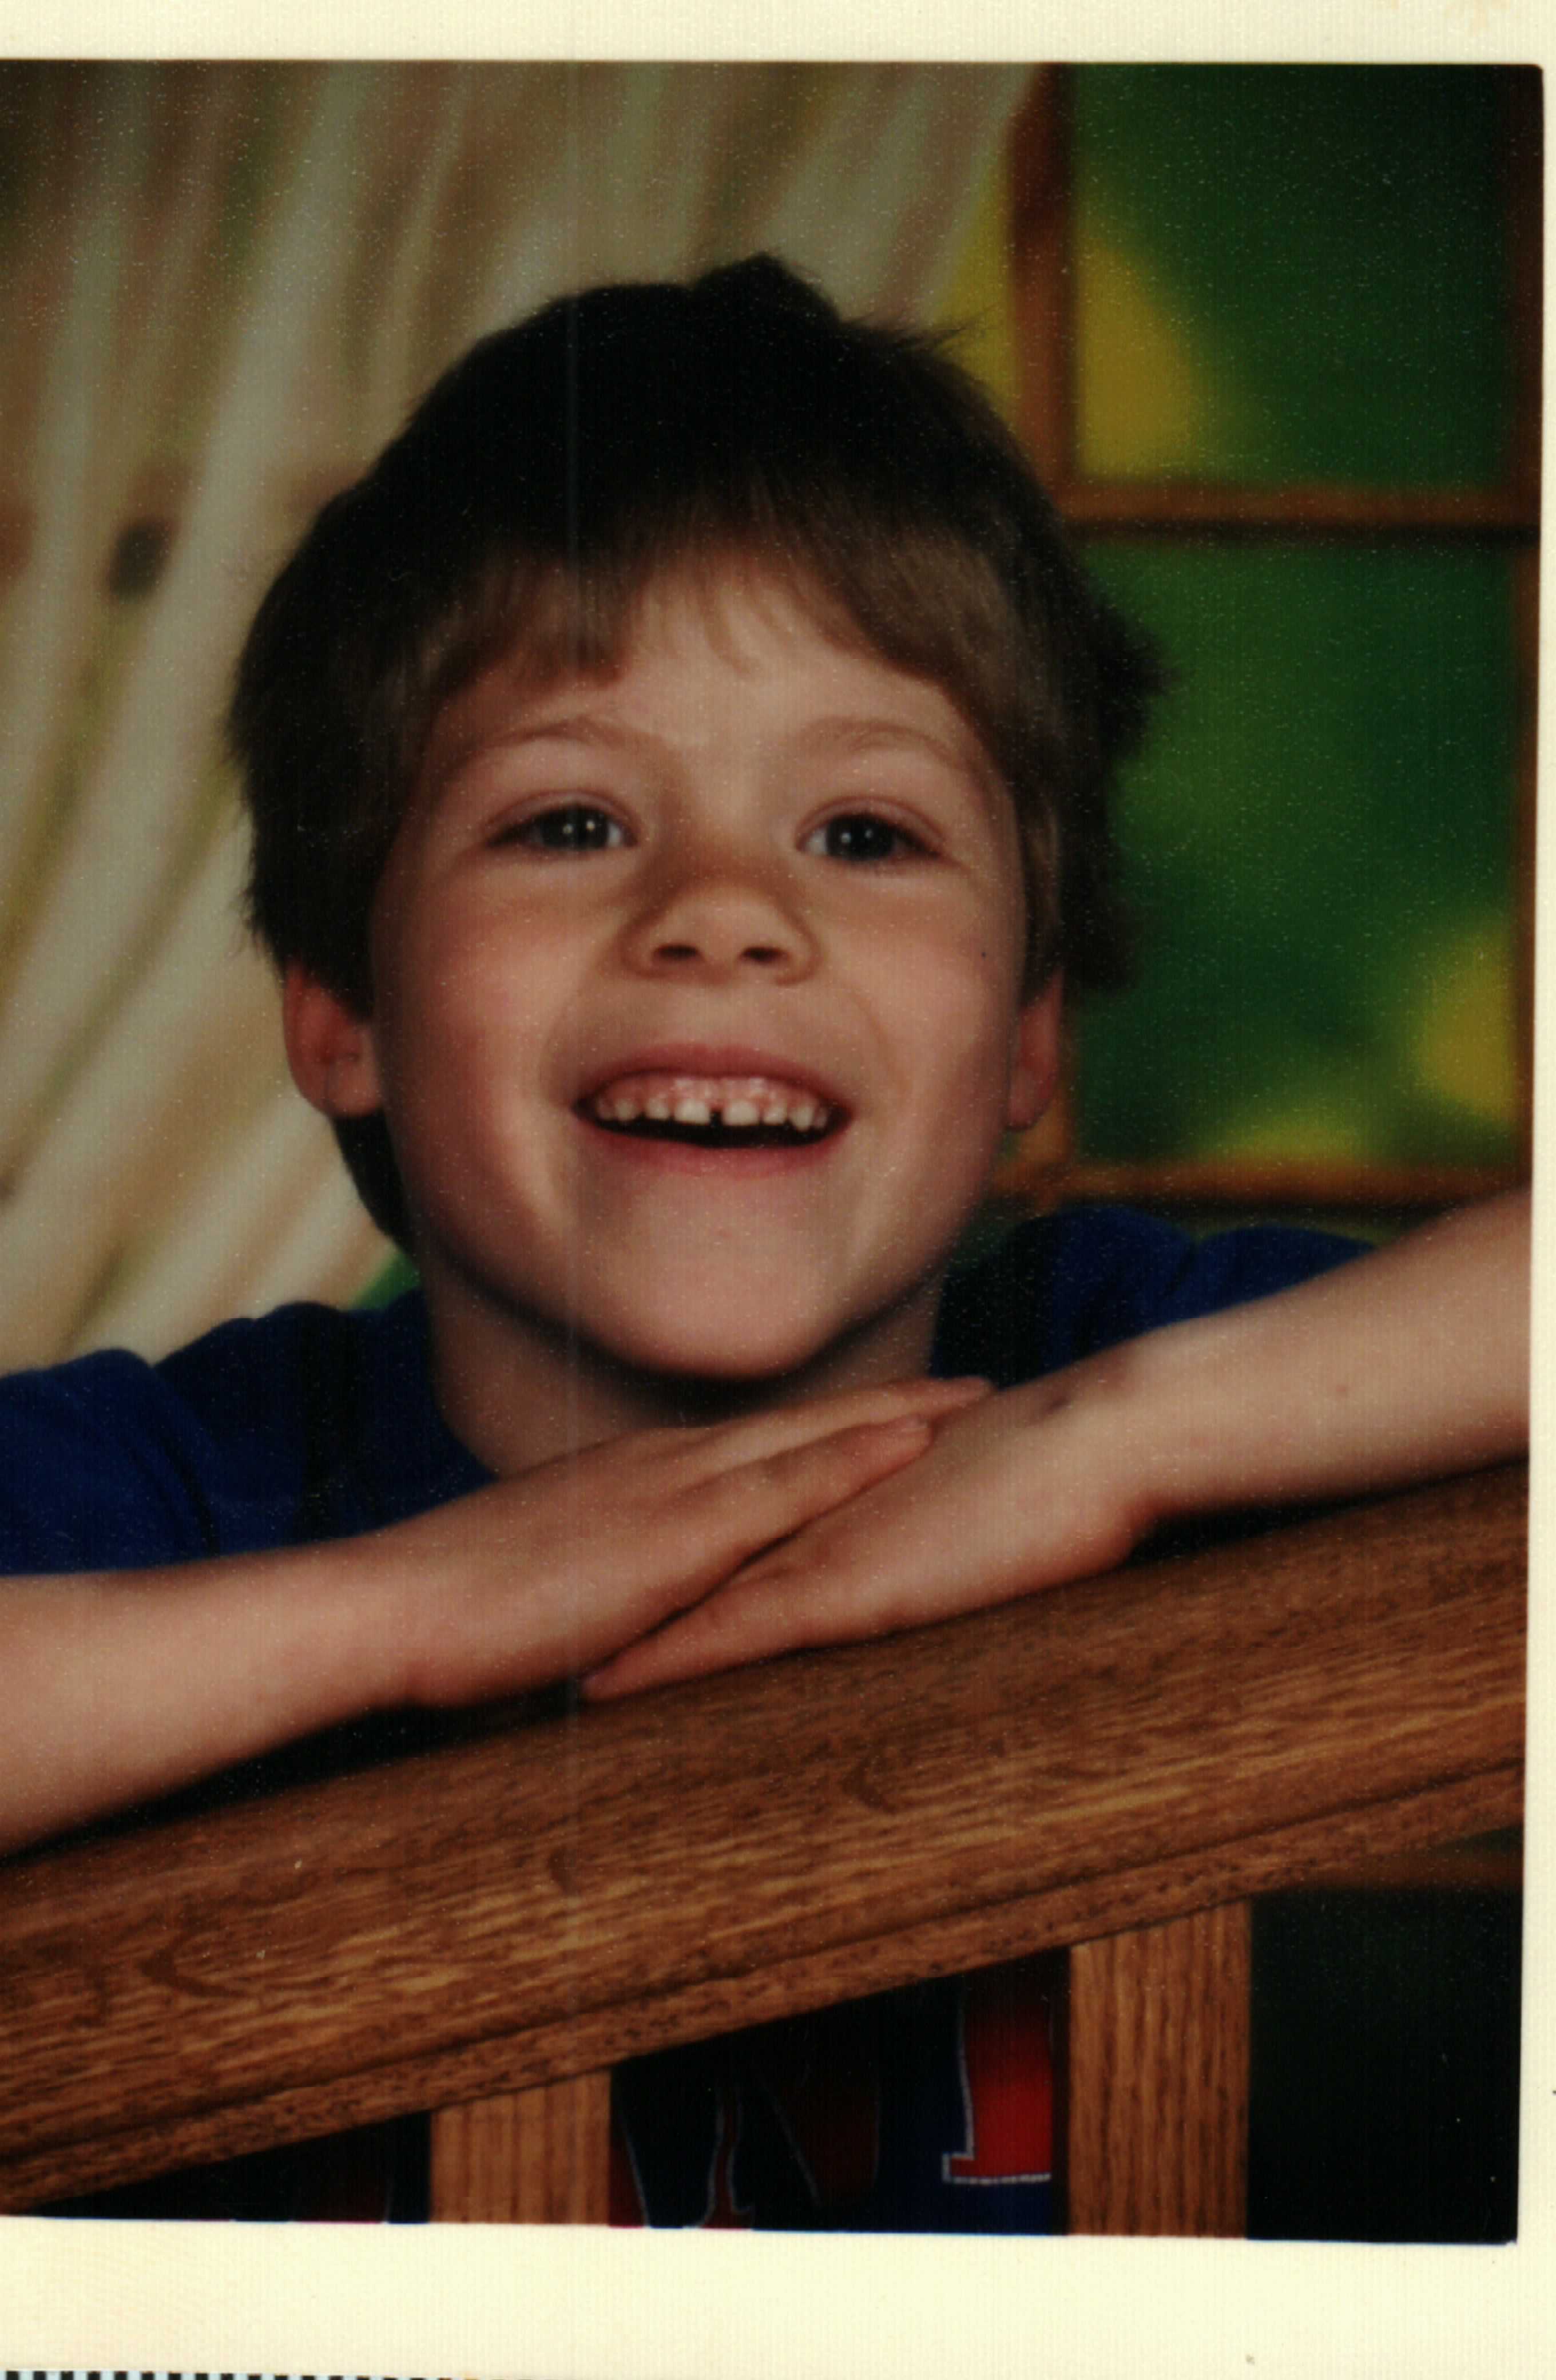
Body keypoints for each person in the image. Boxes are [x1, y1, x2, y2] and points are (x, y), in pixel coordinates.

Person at [1, 258, 1527, 2229]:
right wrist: (394, 1610)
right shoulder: (184, 1487)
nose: (725, 916)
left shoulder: (1122, 1364)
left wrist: (1117, 1441)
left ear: (1030, 1034)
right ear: (342, 1008)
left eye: (864, 836)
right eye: (570, 824)